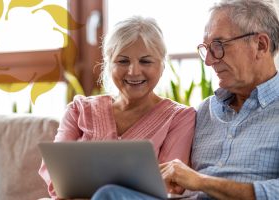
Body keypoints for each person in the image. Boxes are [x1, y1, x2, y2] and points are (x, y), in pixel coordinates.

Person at [91, 0, 279, 199]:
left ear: (260, 45)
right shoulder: (205, 111)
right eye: (206, 48)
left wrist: (202, 182)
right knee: (110, 194)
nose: (208, 60)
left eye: (218, 45)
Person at [38, 16, 196, 199]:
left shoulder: (180, 117)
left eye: (146, 61)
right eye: (122, 61)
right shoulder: (78, 109)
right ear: (108, 64)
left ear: (162, 65)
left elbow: (171, 185)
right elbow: (56, 172)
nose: (134, 71)